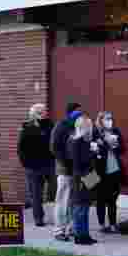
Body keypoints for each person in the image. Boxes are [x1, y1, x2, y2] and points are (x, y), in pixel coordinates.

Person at [18, 103, 56, 227]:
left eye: (44, 110)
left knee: (56, 190)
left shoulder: (50, 125)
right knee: (36, 194)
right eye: (40, 111)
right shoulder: (27, 128)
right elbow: (21, 149)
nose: (44, 112)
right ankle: (38, 218)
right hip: (33, 167)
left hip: (49, 164)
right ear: (34, 113)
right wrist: (27, 164)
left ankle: (60, 215)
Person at [50, 102, 83, 241]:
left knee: (72, 200)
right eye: (77, 112)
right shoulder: (61, 126)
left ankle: (70, 228)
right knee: (62, 199)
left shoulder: (77, 126)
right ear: (71, 113)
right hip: (64, 169)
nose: (80, 115)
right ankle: (59, 230)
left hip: (75, 170)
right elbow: (54, 148)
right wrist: (66, 163)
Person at [94, 111, 126, 233]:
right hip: (100, 170)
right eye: (107, 119)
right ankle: (101, 224)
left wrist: (116, 145)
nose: (110, 121)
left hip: (114, 169)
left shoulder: (116, 131)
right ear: (100, 120)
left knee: (113, 199)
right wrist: (102, 146)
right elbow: (92, 150)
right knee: (100, 198)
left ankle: (113, 224)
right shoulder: (95, 132)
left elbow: (122, 149)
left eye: (111, 118)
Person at [69, 114, 98, 245]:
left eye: (90, 125)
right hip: (81, 177)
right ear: (81, 127)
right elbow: (77, 163)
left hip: (90, 175)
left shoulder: (87, 141)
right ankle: (78, 235)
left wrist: (95, 152)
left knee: (86, 207)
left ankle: (85, 234)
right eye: (88, 126)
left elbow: (91, 160)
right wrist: (92, 152)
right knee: (79, 208)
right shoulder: (75, 141)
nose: (90, 128)